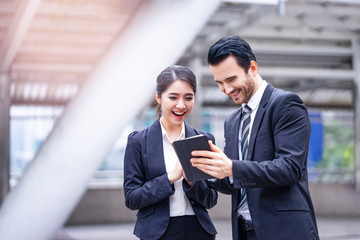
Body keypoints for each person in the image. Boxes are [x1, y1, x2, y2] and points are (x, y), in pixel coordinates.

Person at [190, 36, 319, 240]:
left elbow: (289, 168)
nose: (226, 89)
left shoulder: (285, 104)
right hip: (245, 232)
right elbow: (237, 182)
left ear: (252, 68)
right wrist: (210, 172)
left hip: (285, 231)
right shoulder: (232, 121)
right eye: (220, 83)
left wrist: (232, 167)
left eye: (231, 79)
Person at [123, 65, 218, 240]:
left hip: (198, 231)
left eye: (188, 98)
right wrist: (169, 178)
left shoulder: (204, 139)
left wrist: (192, 182)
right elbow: (132, 198)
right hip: (157, 233)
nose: (181, 105)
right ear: (158, 97)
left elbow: (211, 199)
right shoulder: (138, 141)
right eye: (173, 97)